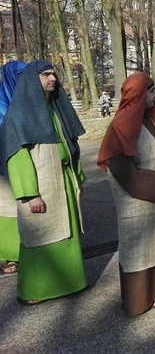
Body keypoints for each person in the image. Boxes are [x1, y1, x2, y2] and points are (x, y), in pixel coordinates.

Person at [0, 60, 88, 305]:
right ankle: (35, 291)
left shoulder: (55, 109)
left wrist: (78, 177)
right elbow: (15, 159)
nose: (53, 78)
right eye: (46, 74)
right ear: (32, 80)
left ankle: (71, 283)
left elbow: (72, 146)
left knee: (67, 233)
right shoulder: (17, 116)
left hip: (63, 182)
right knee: (39, 238)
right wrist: (29, 194)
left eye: (54, 74)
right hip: (41, 185)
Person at [97, 73, 155, 316]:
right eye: (151, 91)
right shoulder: (120, 128)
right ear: (138, 94)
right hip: (137, 198)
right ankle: (139, 299)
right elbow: (125, 173)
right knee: (140, 249)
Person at [0, 60, 27, 275]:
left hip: (25, 161)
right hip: (3, 165)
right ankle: (9, 255)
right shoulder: (1, 102)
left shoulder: (29, 100)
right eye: (19, 76)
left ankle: (27, 251)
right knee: (7, 208)